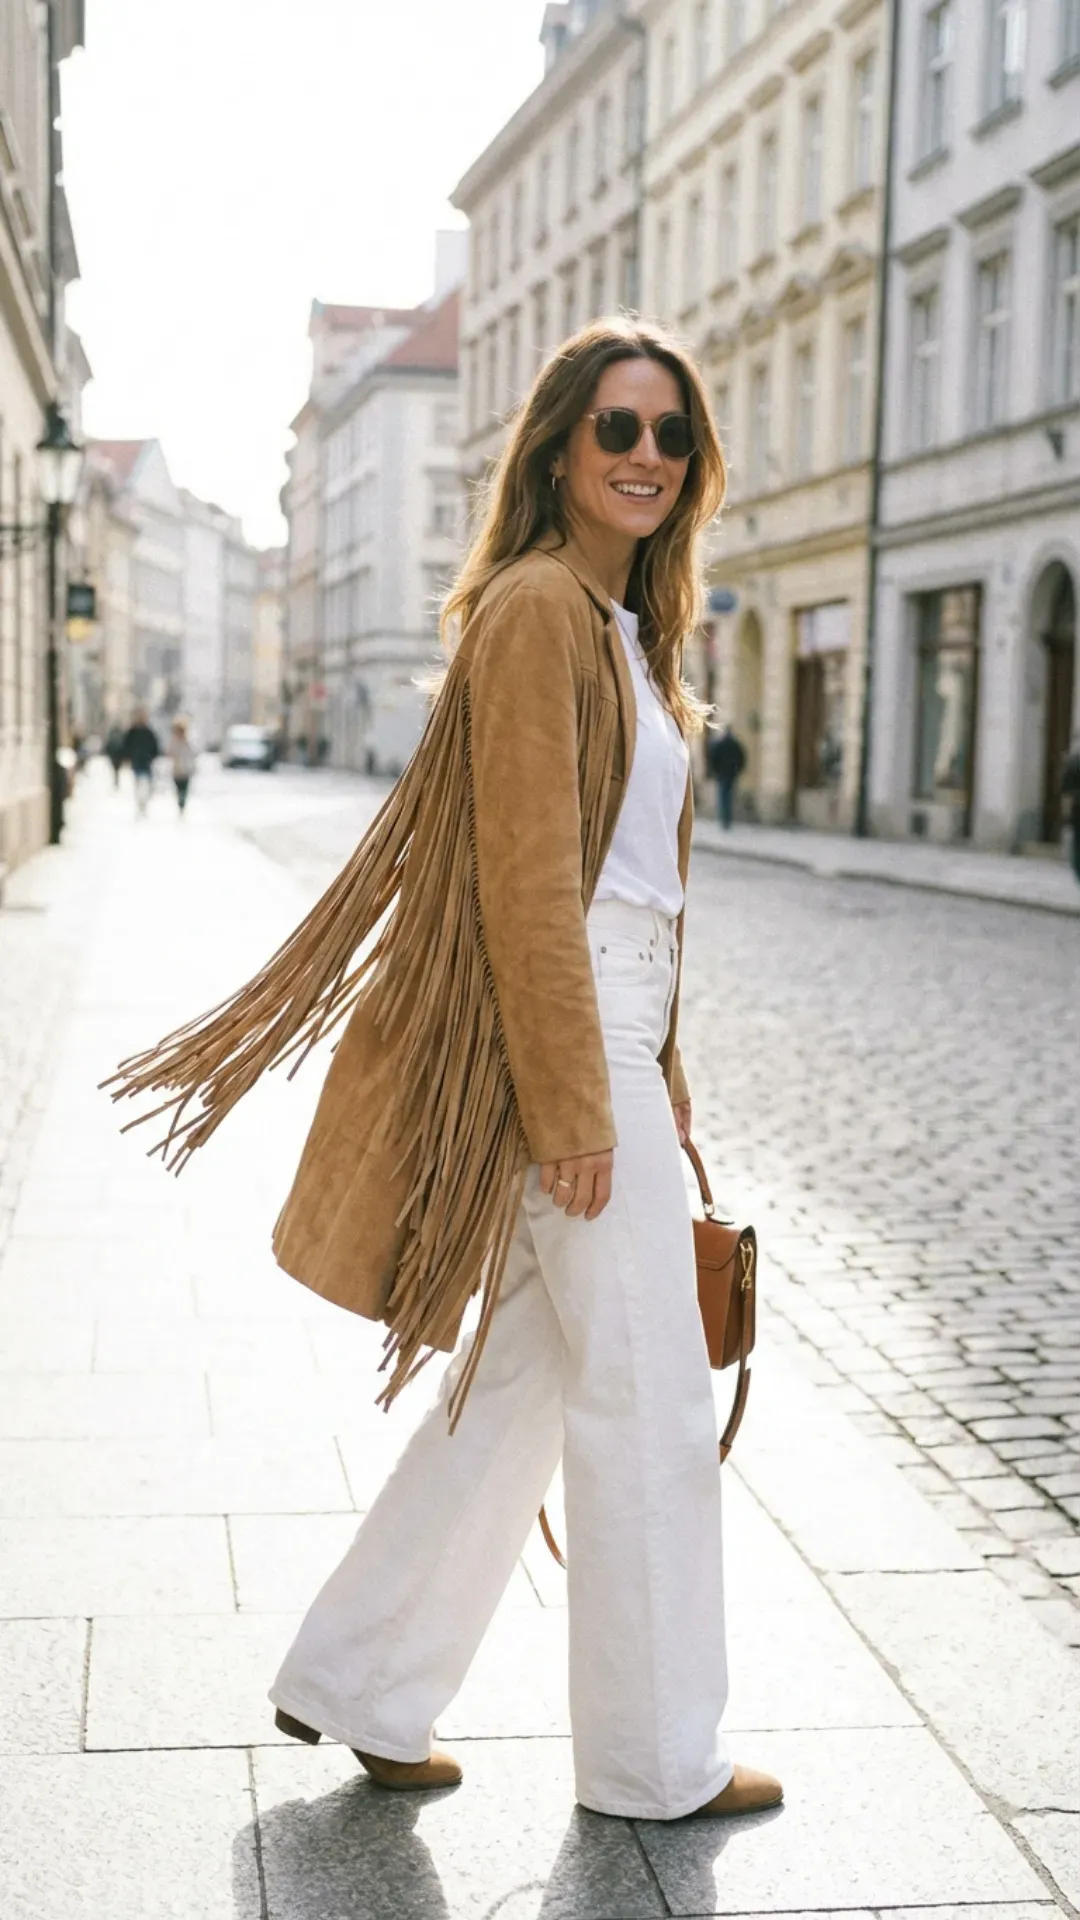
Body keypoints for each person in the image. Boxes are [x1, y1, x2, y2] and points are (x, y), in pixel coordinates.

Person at [108, 319, 782, 1823]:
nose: (647, 457)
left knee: (533, 1389)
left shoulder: (623, 632)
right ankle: (655, 1761)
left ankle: (360, 1677)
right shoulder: (542, 611)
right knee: (652, 1410)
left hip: (616, 1046)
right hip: (572, 1052)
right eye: (617, 428)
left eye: (672, 434)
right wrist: (574, 1100)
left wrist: (664, 1068)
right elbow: (528, 881)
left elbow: (639, 893)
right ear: (555, 447)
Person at [706, 722, 746, 829]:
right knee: (729, 797)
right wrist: (738, 771)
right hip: (731, 774)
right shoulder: (735, 744)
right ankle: (727, 819)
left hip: (722, 775)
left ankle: (724, 820)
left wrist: (715, 771)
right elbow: (741, 759)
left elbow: (713, 759)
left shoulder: (720, 744)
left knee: (723, 798)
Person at [122, 709, 160, 817]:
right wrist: (127, 757)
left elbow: (155, 746)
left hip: (146, 762)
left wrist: (153, 756)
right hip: (136, 762)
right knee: (139, 784)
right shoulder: (132, 732)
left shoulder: (149, 732)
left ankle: (144, 804)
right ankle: (140, 804)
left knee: (146, 784)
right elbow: (126, 745)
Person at [169, 719, 196, 817]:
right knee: (178, 789)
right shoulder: (174, 742)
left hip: (186, 771)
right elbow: (169, 754)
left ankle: (182, 806)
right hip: (177, 771)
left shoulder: (188, 743)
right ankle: (180, 805)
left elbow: (193, 755)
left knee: (184, 791)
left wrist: (193, 768)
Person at [1063, 734, 1080, 883]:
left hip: (1077, 814)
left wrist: (1066, 818)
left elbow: (1066, 796)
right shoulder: (1073, 762)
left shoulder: (1073, 761)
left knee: (1077, 852)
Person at [105, 724, 126, 788]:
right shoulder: (119, 738)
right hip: (116, 756)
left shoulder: (116, 738)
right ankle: (116, 780)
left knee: (116, 769)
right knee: (116, 769)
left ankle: (116, 780)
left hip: (116, 756)